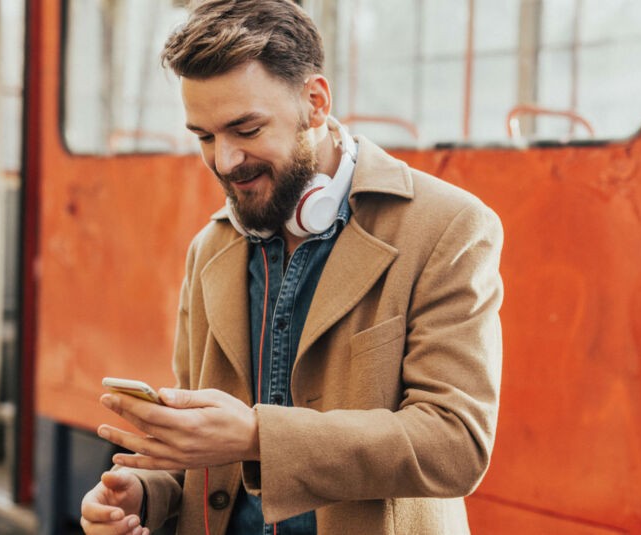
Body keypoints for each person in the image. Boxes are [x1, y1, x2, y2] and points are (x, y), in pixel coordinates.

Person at [79, 0, 503, 533]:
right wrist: (144, 494)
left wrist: (257, 436)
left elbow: (456, 445)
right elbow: (204, 461)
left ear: (316, 102)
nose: (226, 161)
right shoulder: (210, 247)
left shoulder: (449, 227)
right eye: (205, 137)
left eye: (247, 129)